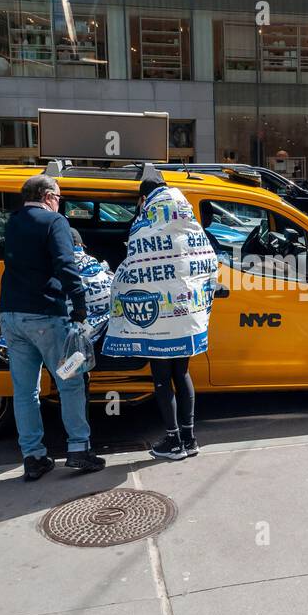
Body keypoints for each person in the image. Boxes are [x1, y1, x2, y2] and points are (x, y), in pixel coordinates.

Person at [103, 170, 217, 460]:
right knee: (183, 373)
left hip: (161, 321)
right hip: (187, 313)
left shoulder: (146, 224)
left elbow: (134, 265)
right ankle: (190, 439)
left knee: (162, 379)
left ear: (144, 198)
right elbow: (206, 260)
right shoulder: (187, 218)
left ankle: (173, 442)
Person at [0, 174, 106, 480]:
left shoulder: (13, 221)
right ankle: (78, 450)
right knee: (69, 381)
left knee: (25, 391)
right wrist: (80, 304)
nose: (60, 203)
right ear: (47, 196)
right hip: (46, 315)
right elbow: (66, 263)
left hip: (11, 317)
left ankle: (33, 457)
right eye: (58, 197)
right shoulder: (54, 222)